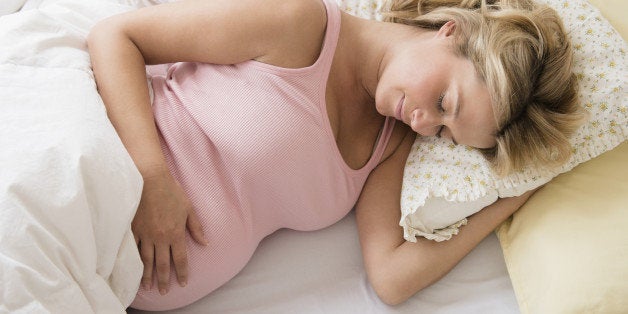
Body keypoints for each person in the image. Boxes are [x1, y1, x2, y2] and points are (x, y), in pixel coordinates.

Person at [87, 0, 585, 310]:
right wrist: (151, 180)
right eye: (444, 103)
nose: (425, 124)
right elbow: (117, 36)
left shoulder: (391, 145)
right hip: (98, 189)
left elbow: (391, 279)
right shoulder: (299, 24)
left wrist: (513, 198)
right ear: (450, 30)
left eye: (447, 134)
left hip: (102, 288)